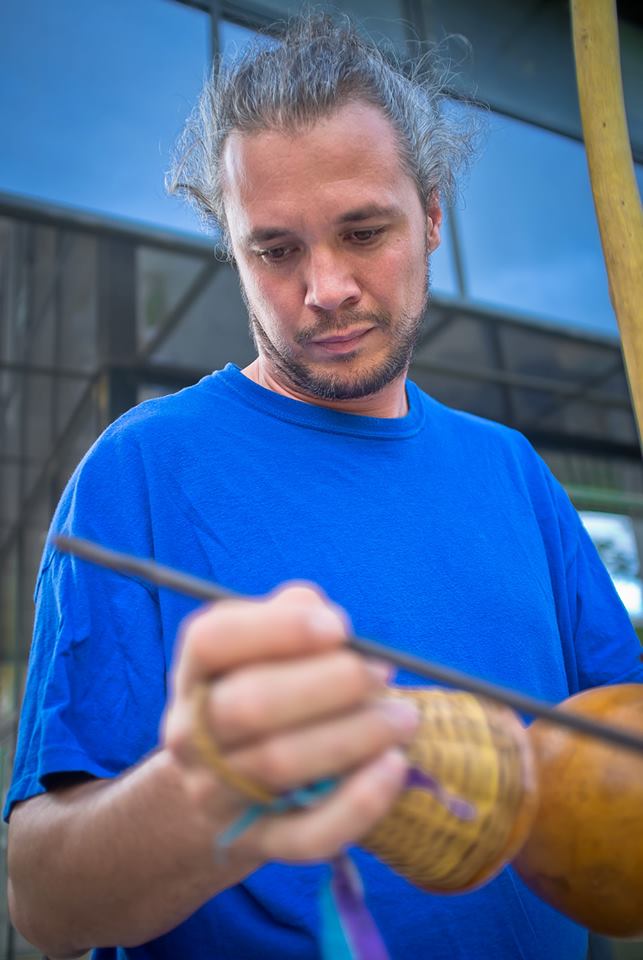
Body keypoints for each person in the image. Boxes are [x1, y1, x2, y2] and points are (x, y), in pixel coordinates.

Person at [5, 13, 642, 960]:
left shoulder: (513, 469)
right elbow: (43, 902)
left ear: (432, 215)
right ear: (234, 251)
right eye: (275, 250)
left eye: (363, 230)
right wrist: (210, 790)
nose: (325, 286)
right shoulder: (141, 468)